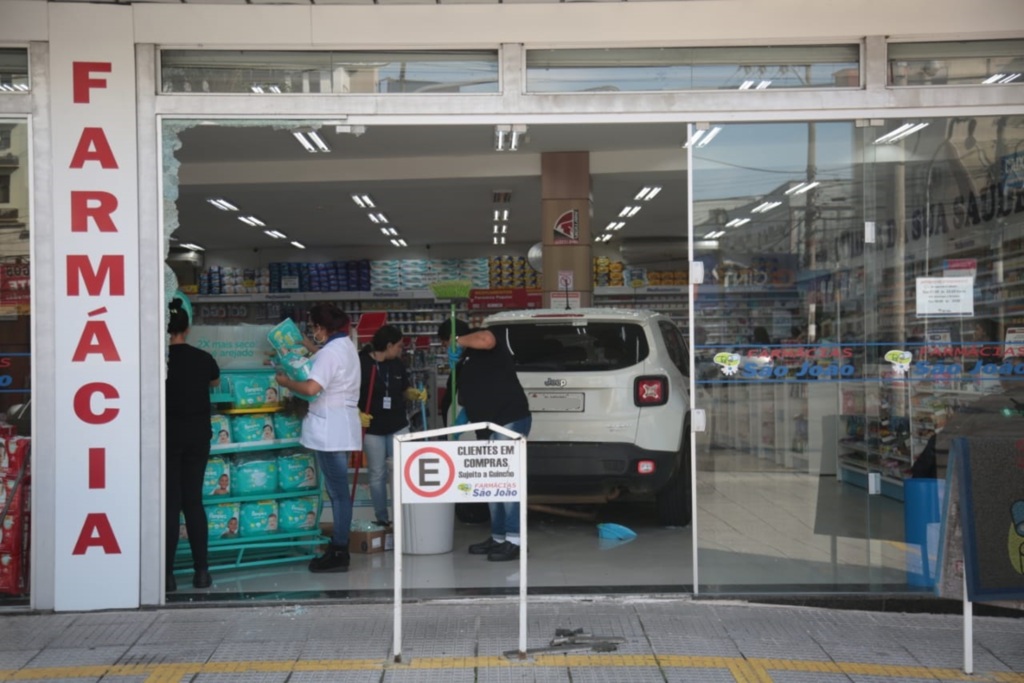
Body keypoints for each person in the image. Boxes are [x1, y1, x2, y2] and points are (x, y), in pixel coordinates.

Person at [274, 303, 361, 573]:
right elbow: (325, 356)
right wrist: (305, 346)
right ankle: (339, 547)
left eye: (313, 328)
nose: (312, 333)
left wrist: (286, 383)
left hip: (330, 432)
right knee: (339, 492)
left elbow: (312, 387)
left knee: (337, 494)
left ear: (322, 327)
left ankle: (339, 550)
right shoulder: (345, 346)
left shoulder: (330, 354)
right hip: (341, 426)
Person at [441, 319, 531, 562]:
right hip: (487, 427)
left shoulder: (489, 342)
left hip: (509, 420)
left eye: (447, 343)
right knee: (492, 484)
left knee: (507, 483)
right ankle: (499, 537)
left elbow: (487, 339)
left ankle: (515, 540)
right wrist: (460, 421)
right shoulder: (467, 360)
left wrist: (457, 341)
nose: (449, 348)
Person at [166, 296, 221, 592]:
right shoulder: (203, 359)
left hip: (168, 438)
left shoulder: (159, 361)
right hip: (198, 438)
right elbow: (214, 382)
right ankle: (202, 573)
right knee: (193, 503)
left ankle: (167, 576)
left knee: (170, 504)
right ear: (187, 329)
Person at [359, 324, 425, 527]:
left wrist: (412, 393)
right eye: (398, 346)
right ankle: (382, 518)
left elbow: (403, 389)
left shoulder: (397, 364)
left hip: (398, 424)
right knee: (377, 473)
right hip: (373, 427)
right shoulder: (362, 363)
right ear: (388, 345)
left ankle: (403, 516)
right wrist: (356, 413)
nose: (400, 350)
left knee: (402, 471)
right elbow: (349, 393)